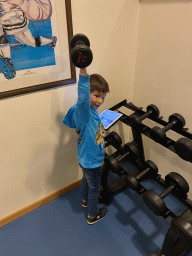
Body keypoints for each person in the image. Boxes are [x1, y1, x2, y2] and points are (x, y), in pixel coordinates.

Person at [62, 67, 110, 224]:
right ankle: (92, 215)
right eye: (96, 95)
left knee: (85, 180)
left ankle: (84, 201)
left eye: (103, 97)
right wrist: (83, 66)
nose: (100, 101)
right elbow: (82, 93)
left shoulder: (92, 110)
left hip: (85, 158)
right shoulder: (84, 111)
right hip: (92, 161)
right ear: (88, 93)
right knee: (95, 188)